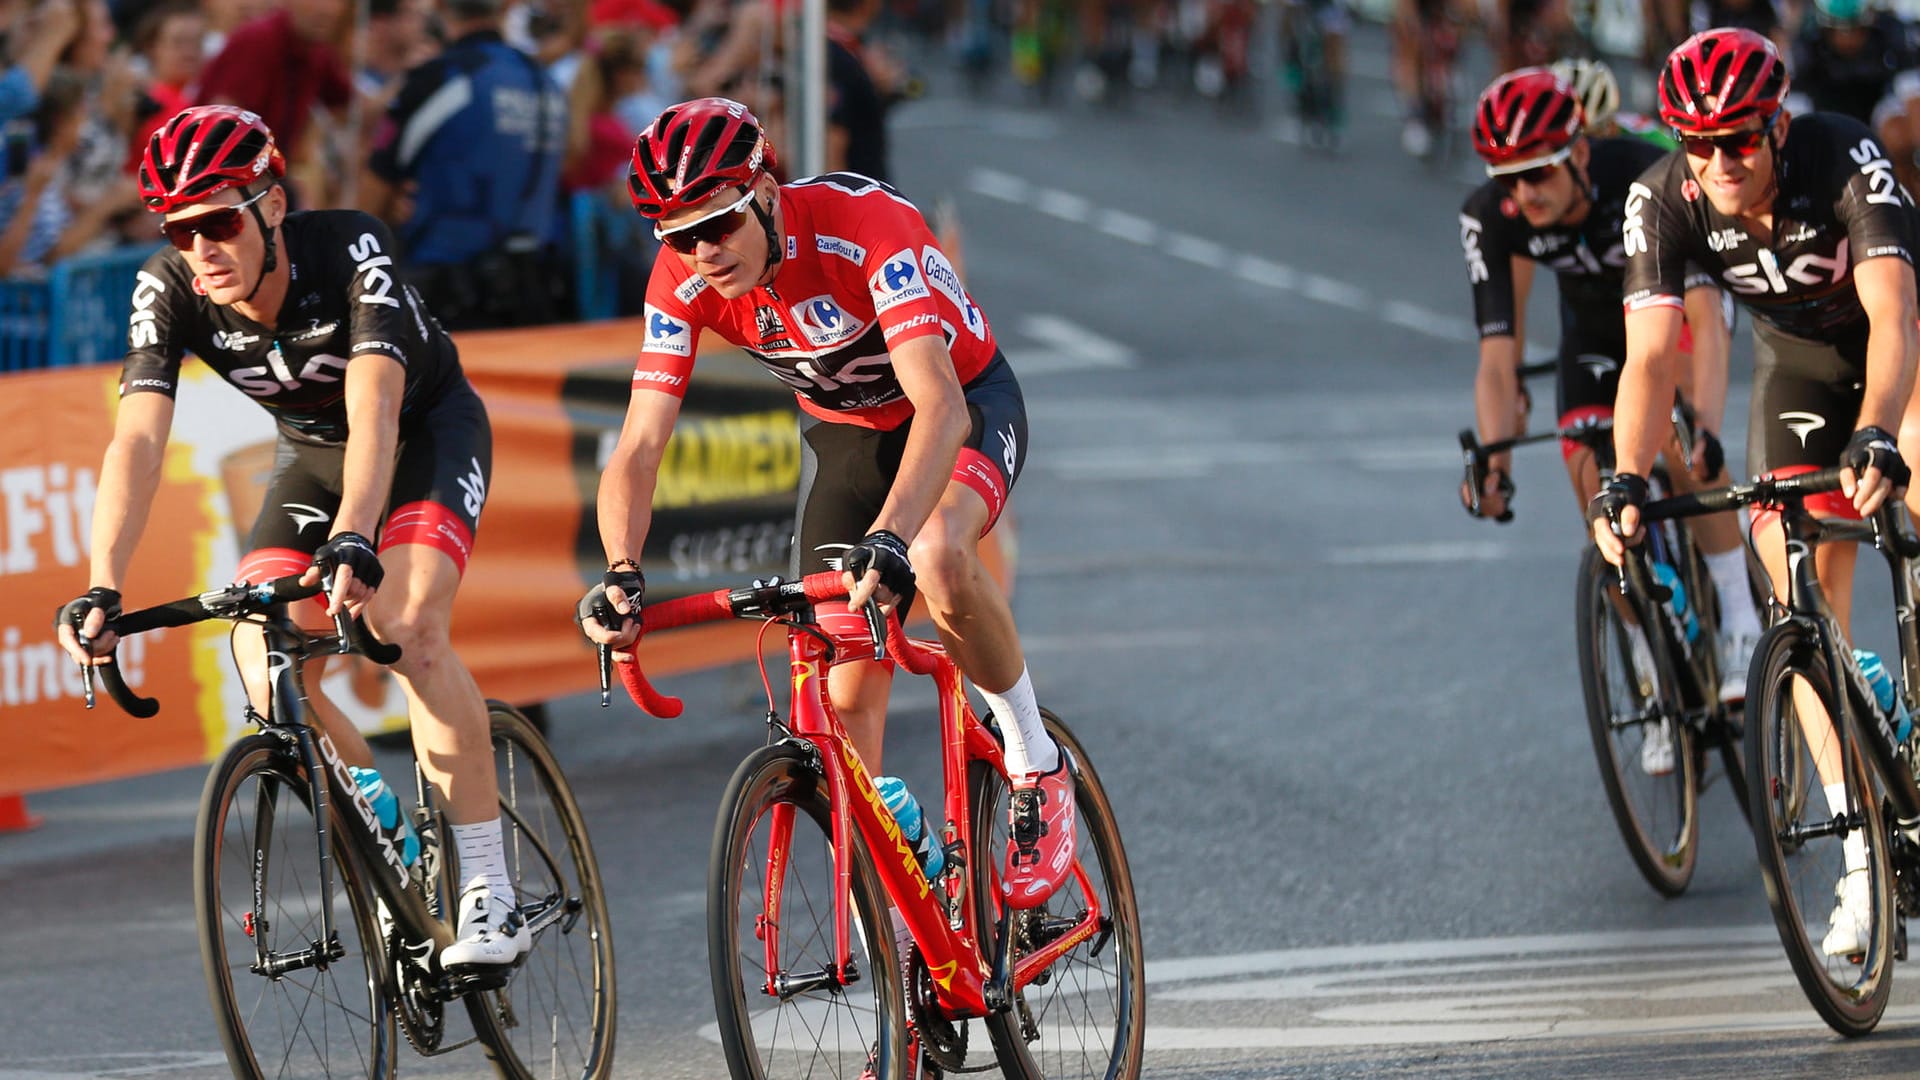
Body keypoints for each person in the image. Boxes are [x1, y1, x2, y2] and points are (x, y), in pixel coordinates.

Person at [53, 105, 526, 973]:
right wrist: (103, 586)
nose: (203, 247)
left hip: (423, 432)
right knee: (259, 657)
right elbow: (139, 441)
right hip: (312, 456)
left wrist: (354, 535)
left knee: (410, 627)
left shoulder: (348, 247)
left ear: (271, 204)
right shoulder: (170, 284)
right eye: (180, 228)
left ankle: (492, 887)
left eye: (220, 221)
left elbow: (377, 406)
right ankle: (382, 827)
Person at [579, 98, 1077, 909]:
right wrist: (621, 572)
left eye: (720, 224)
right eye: (676, 235)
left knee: (938, 554)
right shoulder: (680, 283)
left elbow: (942, 408)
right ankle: (911, 897)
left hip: (963, 403)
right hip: (849, 437)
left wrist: (889, 536)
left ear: (767, 193)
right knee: (843, 697)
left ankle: (1032, 759)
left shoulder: (863, 226)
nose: (702, 251)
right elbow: (637, 448)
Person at [1591, 28, 1920, 957]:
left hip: (1898, 358)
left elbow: (1895, 313)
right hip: (1802, 370)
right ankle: (1862, 857)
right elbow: (1652, 360)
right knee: (1796, 596)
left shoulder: (1840, 151)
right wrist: (1624, 478)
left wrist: (1882, 429)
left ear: (1777, 126)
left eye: (1739, 138)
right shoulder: (1661, 201)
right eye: (1699, 143)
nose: (1721, 160)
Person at [1460, 68, 1760, 774]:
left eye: (1537, 172)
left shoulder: (1644, 176)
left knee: (1680, 437)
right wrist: (1496, 466)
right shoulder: (1490, 216)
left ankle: (1743, 621)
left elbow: (1702, 328)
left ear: (1580, 154)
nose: (1522, 193)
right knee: (1588, 475)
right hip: (1595, 331)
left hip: (1672, 309)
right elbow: (1497, 360)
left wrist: (1704, 422)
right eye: (1507, 178)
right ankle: (1650, 662)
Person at [362, 0, 568, 330]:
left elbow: (376, 182)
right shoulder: (545, 82)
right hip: (537, 291)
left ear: (441, 8)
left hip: (449, 295)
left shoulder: (444, 78)